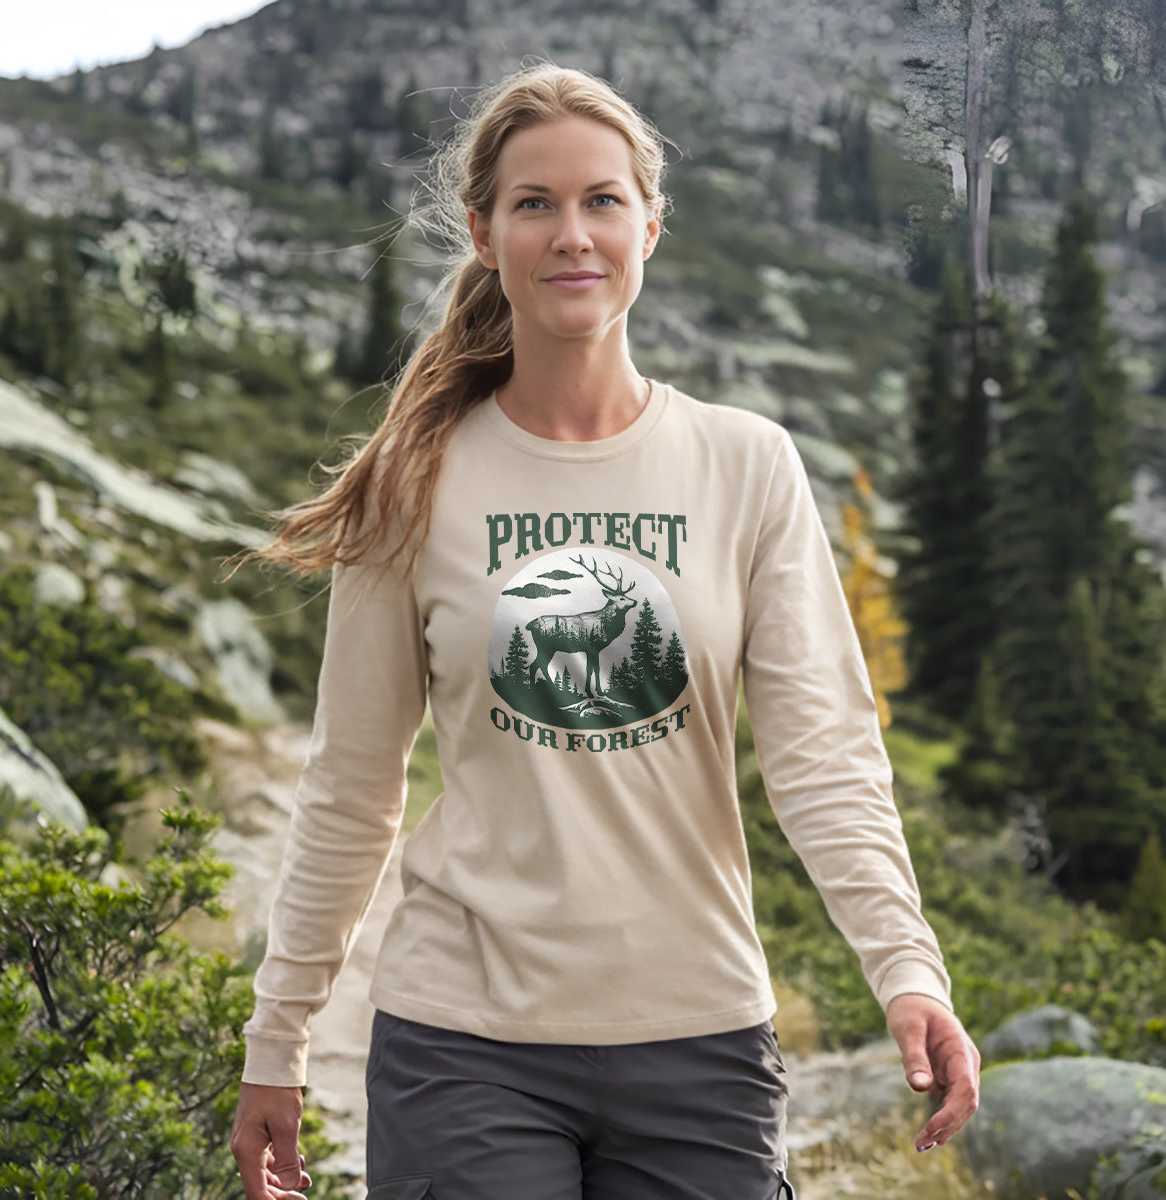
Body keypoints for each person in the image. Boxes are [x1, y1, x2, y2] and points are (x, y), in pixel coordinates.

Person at [228, 61, 980, 1200]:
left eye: (602, 201)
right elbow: (351, 781)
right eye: (535, 203)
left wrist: (906, 968)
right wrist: (279, 1033)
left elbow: (825, 755)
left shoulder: (746, 464)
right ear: (484, 234)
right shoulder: (413, 481)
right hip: (463, 1039)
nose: (572, 234)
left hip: (699, 1036)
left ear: (650, 227)